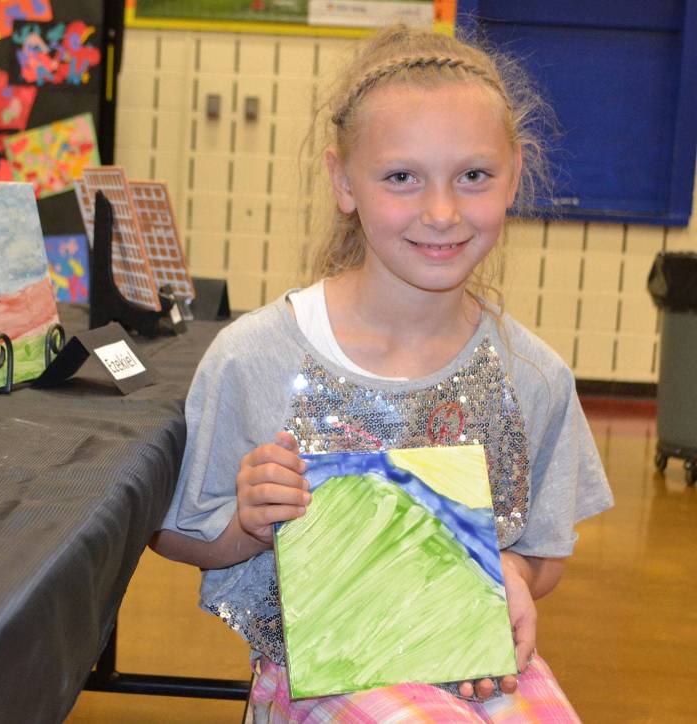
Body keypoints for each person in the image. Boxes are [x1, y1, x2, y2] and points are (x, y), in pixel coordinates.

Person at [151, 24, 613, 722]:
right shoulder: (259, 357)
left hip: (475, 669)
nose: (441, 212)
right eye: (402, 177)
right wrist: (248, 523)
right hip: (327, 679)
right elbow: (170, 532)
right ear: (344, 182)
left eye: (474, 176)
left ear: (514, 175)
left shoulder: (533, 376)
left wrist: (514, 574)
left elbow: (546, 550)